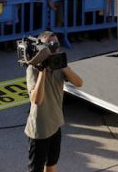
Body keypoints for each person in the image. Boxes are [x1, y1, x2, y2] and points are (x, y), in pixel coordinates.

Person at [25, 31, 83, 172]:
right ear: (42, 49)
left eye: (57, 44)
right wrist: (42, 71)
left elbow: (79, 83)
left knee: (51, 164)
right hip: (40, 129)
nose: (56, 48)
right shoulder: (32, 69)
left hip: (55, 124)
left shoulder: (60, 64)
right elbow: (36, 100)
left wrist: (64, 67)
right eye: (51, 45)